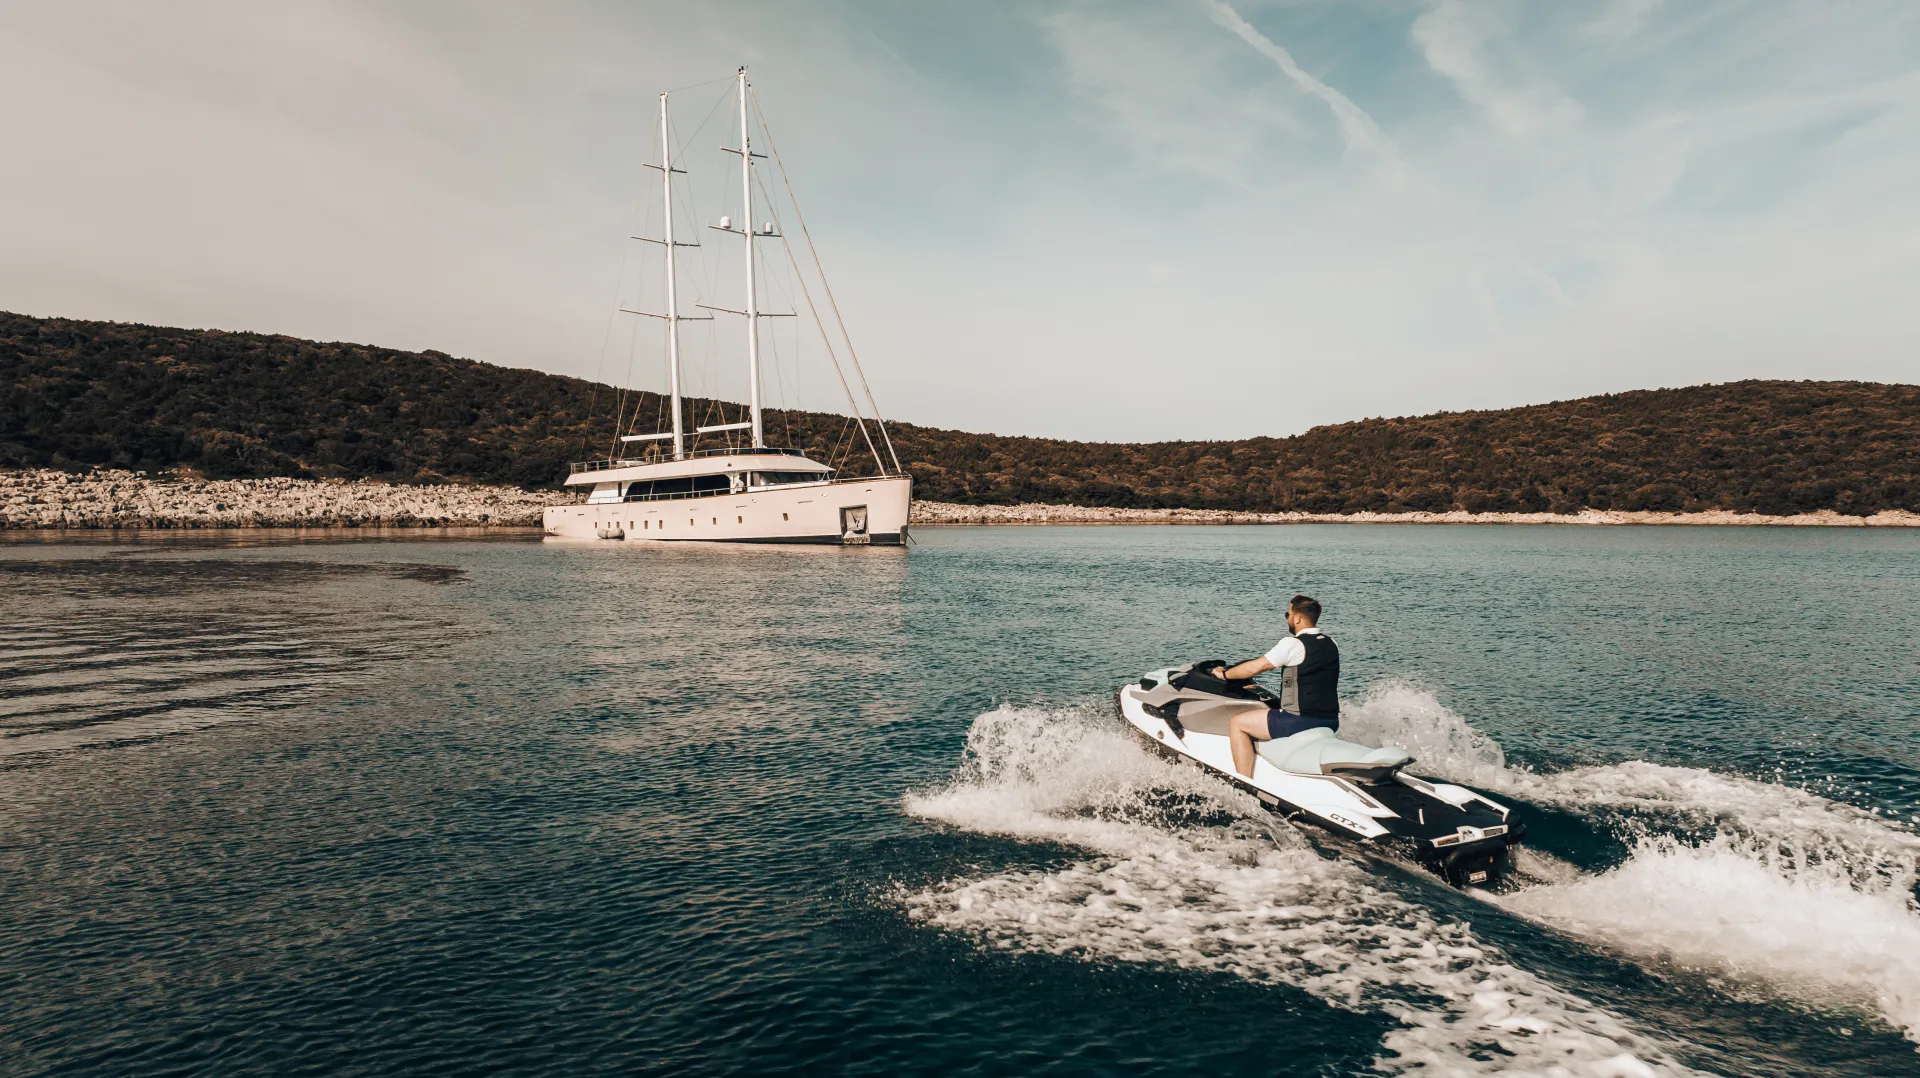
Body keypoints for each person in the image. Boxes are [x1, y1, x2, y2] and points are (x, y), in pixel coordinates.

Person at [1214, 594, 1340, 777]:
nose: (1288, 619)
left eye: (1287, 615)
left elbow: (1257, 667)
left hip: (1300, 720)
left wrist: (1224, 674)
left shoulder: (1293, 644)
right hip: (1330, 721)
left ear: (1297, 617)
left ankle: (1243, 782)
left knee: (1237, 723)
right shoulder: (1331, 643)